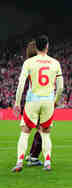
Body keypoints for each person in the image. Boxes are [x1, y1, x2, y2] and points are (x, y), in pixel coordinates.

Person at [12, 35, 64, 172]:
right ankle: (47, 162)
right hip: (48, 100)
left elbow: (21, 84)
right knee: (45, 133)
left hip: (32, 100)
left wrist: (17, 103)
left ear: (36, 47)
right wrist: (55, 101)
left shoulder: (29, 62)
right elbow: (61, 87)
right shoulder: (55, 63)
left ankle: (19, 162)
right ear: (47, 46)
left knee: (25, 132)